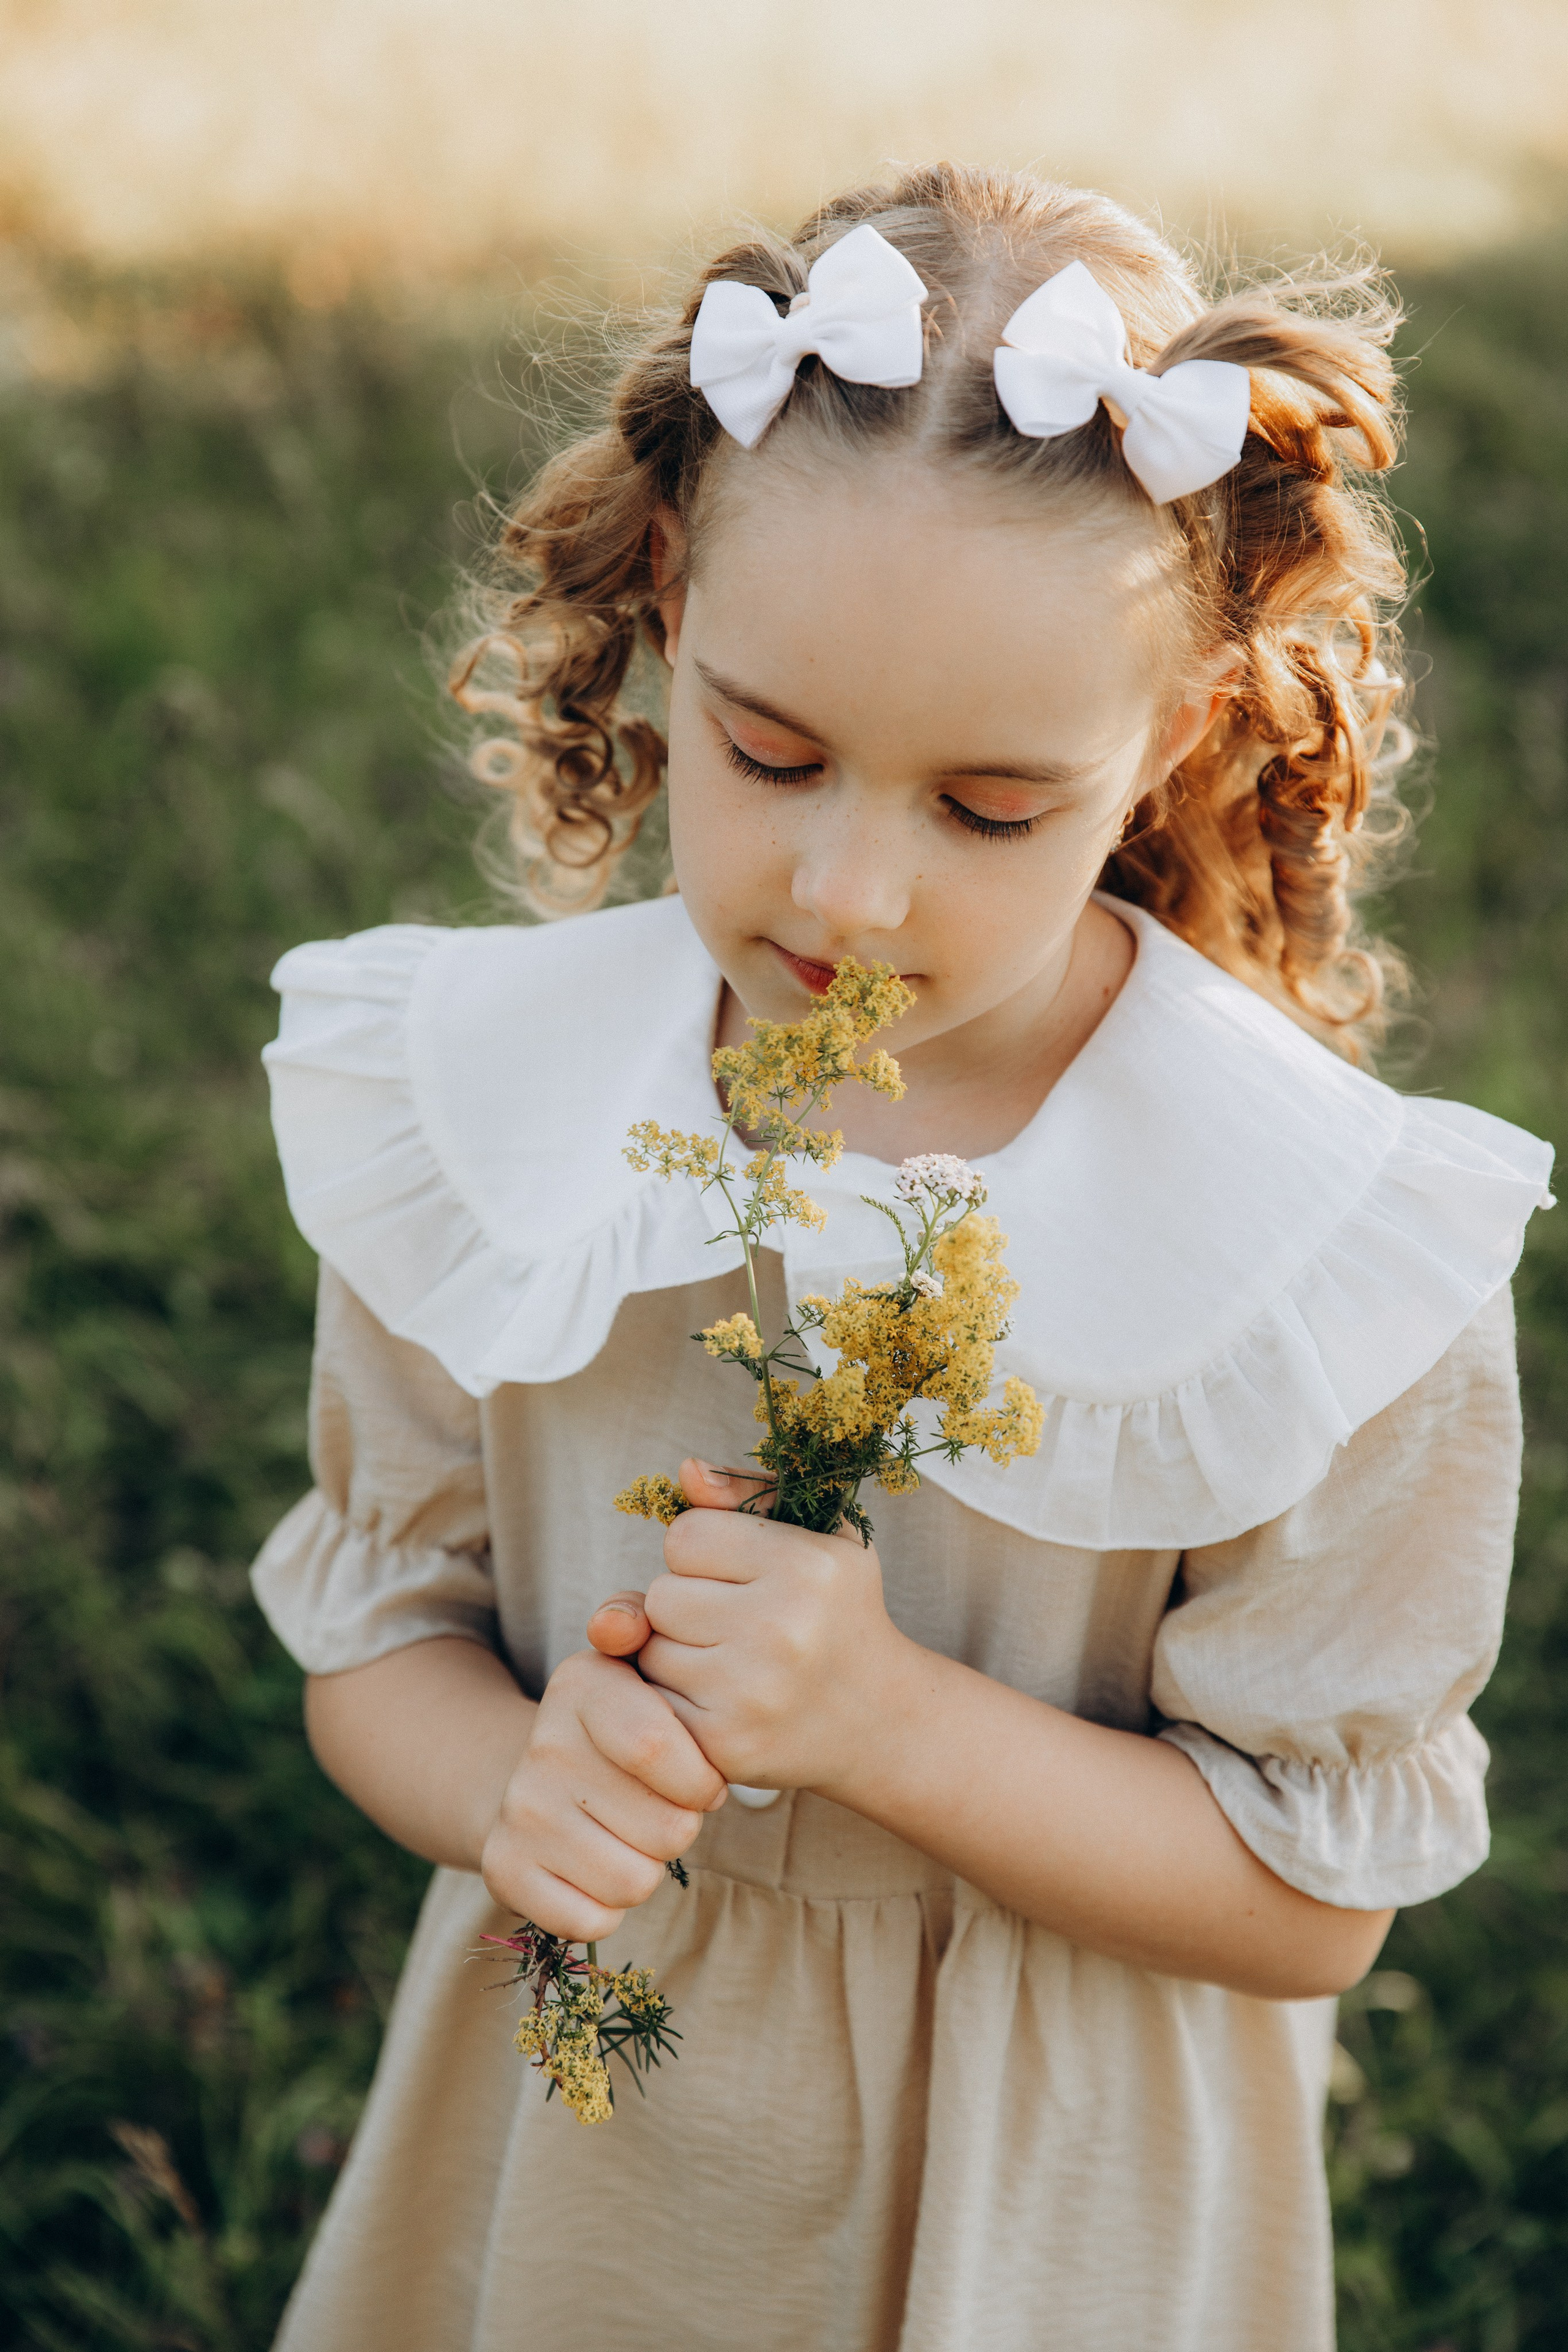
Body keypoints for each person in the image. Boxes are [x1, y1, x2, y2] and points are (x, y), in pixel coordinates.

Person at [251, 163, 1553, 2351]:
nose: (848, 891)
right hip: (590, 2159)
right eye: (771, 753)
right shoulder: (478, 1108)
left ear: (1184, 728)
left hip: (1044, 2203)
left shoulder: (1311, 1248)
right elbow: (380, 1628)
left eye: (987, 806)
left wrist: (880, 1722)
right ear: (669, 593)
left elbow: (1311, 1900)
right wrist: (515, 1789)